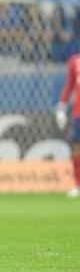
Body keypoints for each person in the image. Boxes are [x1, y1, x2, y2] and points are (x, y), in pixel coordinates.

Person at [56, 51, 80, 198]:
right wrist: (61, 107)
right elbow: (69, 85)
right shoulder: (75, 61)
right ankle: (78, 184)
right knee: (76, 148)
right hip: (79, 114)